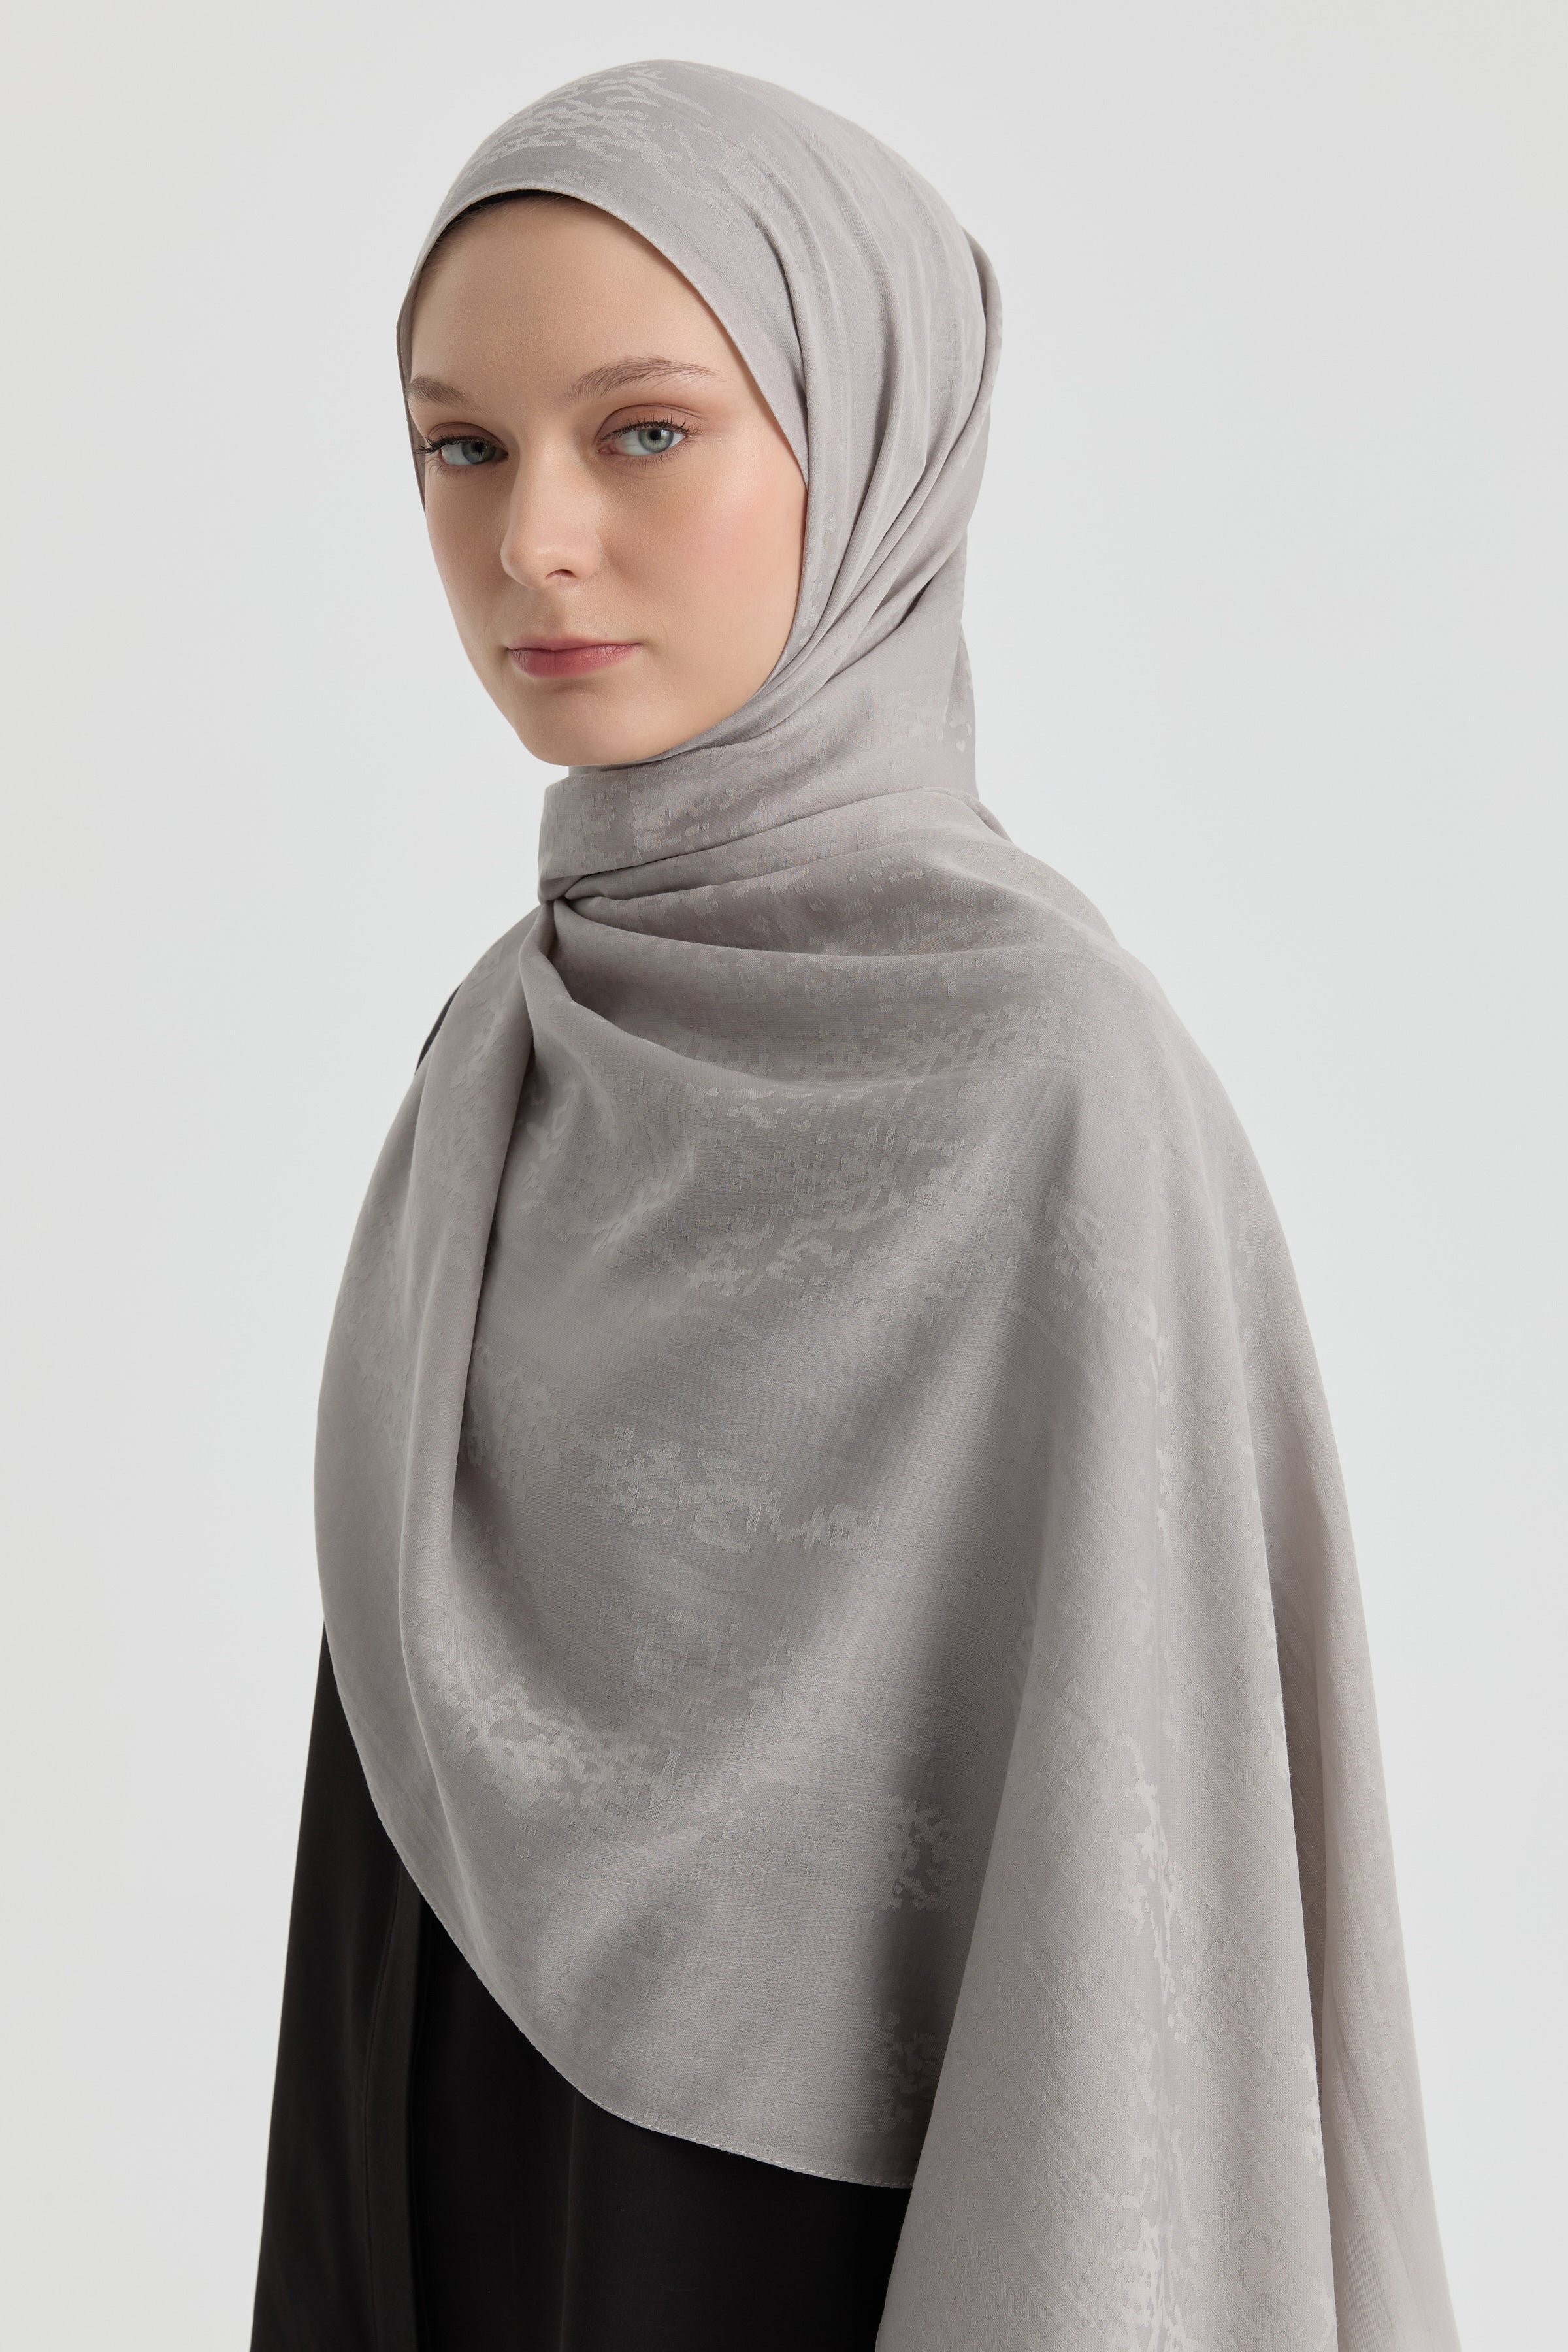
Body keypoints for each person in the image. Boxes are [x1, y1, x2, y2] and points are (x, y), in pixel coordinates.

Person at [251, 59, 1459, 2352]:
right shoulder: (501, 1059)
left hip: (843, 2253)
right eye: (460, 447)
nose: (533, 543)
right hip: (464, 2209)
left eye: (644, 430)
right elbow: (381, 1862)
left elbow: (1138, 1929)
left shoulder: (1047, 1085)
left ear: (871, 437)